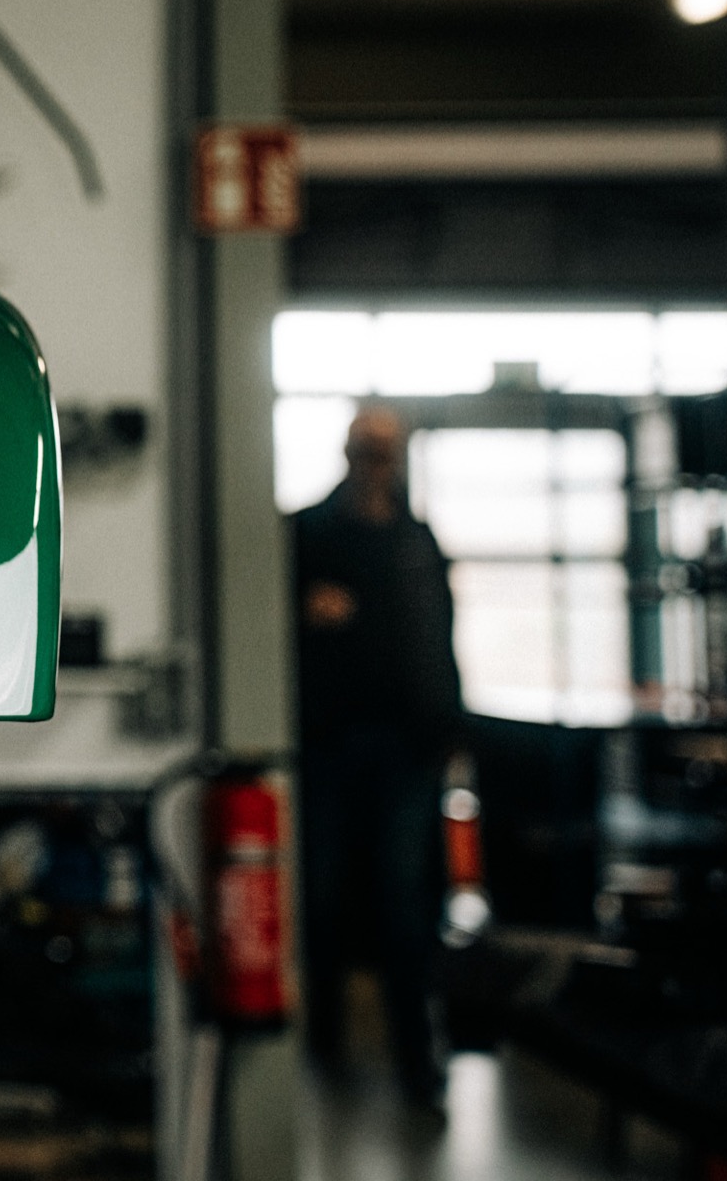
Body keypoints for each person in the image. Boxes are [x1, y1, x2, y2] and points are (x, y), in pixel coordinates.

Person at [293, 406, 463, 1111]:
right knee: (325, 900)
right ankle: (325, 1049)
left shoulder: (416, 540)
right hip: (328, 746)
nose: (376, 464)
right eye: (366, 450)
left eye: (386, 452)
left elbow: (440, 641)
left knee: (405, 907)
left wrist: (451, 733)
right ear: (346, 452)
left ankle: (415, 1060)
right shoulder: (307, 536)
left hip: (408, 748)